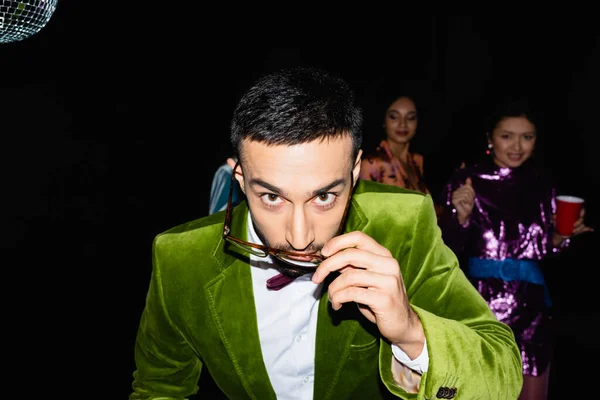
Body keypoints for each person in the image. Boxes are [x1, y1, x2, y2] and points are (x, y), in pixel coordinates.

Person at [130, 66, 523, 399]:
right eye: (270, 197)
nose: (299, 239)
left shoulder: (405, 225)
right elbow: (159, 387)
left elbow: (503, 373)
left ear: (354, 173)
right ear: (239, 177)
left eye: (323, 196)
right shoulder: (178, 258)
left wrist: (411, 332)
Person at [437, 98, 594, 400]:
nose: (517, 146)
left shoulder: (543, 185)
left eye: (527, 136)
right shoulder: (467, 180)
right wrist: (461, 217)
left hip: (532, 306)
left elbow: (544, 249)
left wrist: (562, 239)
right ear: (490, 138)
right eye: (506, 136)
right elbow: (444, 249)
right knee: (479, 390)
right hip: (479, 303)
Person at [359, 94, 444, 216]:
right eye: (394, 117)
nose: (402, 124)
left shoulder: (417, 162)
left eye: (410, 118)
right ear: (383, 120)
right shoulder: (372, 164)